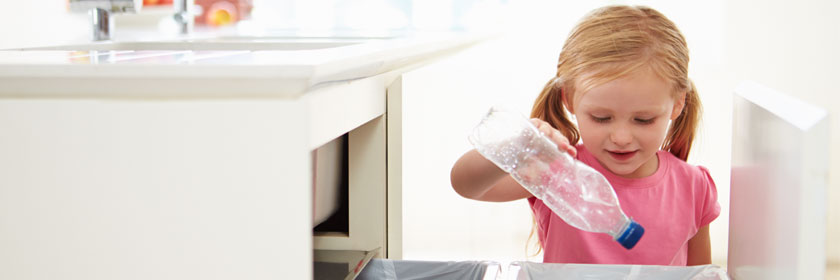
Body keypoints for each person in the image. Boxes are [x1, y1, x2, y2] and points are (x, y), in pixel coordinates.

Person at [450, 5, 720, 266]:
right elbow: (466, 185)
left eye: (644, 119)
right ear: (569, 99)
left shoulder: (695, 187)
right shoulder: (558, 171)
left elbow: (702, 274)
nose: (622, 137)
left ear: (677, 104)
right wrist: (518, 145)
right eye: (601, 118)